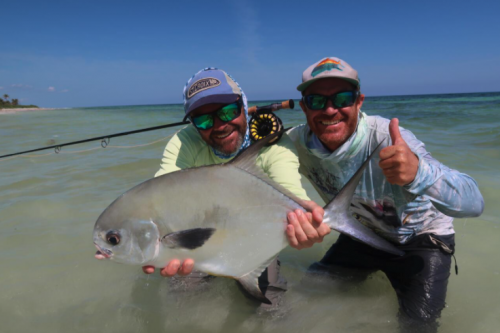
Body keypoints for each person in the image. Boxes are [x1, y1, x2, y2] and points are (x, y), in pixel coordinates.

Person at [286, 57, 484, 331]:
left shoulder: (390, 138)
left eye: (342, 98)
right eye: (316, 101)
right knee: (309, 293)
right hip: (362, 234)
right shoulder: (294, 143)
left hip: (422, 241)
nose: (330, 110)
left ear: (359, 101)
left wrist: (418, 173)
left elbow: (474, 202)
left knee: (418, 327)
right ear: (304, 107)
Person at [142, 67, 329, 307]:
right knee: (181, 294)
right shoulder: (184, 142)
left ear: (244, 106)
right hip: (199, 237)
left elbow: (292, 196)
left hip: (255, 235)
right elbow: (157, 198)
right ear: (193, 124)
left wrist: (308, 221)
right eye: (203, 119)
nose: (219, 125)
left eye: (228, 111)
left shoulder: (275, 145)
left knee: (269, 304)